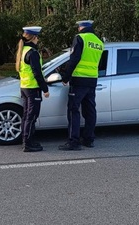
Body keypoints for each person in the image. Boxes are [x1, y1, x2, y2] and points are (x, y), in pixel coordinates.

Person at [58, 20, 104, 151]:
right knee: (90, 111)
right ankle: (89, 139)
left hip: (79, 80)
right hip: (92, 80)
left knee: (73, 110)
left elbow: (74, 59)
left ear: (81, 27)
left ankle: (74, 142)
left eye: (78, 27)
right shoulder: (99, 42)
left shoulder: (80, 38)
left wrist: (66, 77)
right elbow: (99, 64)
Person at [15, 26, 50, 152]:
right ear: (34, 37)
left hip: (24, 88)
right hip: (32, 89)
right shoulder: (32, 53)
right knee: (31, 116)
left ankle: (28, 140)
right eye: (37, 37)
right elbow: (37, 73)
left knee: (26, 116)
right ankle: (28, 143)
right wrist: (45, 89)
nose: (38, 40)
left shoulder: (22, 50)